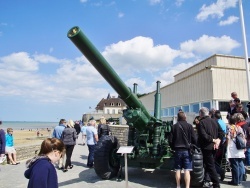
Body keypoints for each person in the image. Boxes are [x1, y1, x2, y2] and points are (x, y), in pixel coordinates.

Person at [196, 107, 224, 188]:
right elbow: (222, 132)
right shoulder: (215, 121)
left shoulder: (201, 123)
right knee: (209, 165)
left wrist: (214, 140)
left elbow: (203, 136)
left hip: (207, 147)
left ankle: (216, 184)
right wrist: (218, 140)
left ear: (200, 114)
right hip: (215, 147)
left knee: (210, 166)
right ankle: (207, 180)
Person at [169, 111, 197, 188]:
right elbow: (194, 139)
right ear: (185, 117)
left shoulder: (174, 127)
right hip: (187, 151)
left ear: (178, 118)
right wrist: (192, 145)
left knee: (177, 170)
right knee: (187, 170)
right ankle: (187, 187)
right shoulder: (189, 126)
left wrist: (173, 148)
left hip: (177, 151)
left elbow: (170, 140)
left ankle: (178, 186)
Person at [227, 113, 246, 186]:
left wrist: (227, 146)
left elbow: (228, 138)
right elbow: (243, 137)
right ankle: (240, 180)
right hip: (240, 147)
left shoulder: (230, 128)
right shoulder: (239, 127)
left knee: (234, 164)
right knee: (240, 163)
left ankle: (235, 181)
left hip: (233, 148)